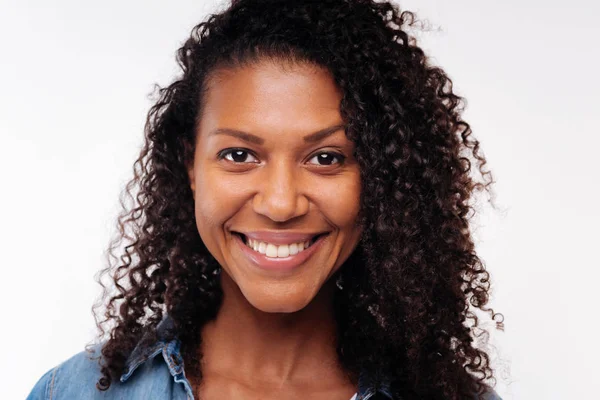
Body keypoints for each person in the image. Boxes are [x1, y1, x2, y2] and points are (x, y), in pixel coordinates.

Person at [27, 0, 503, 399]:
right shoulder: (73, 393)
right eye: (239, 154)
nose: (280, 204)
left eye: (326, 158)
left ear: (379, 178)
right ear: (191, 167)